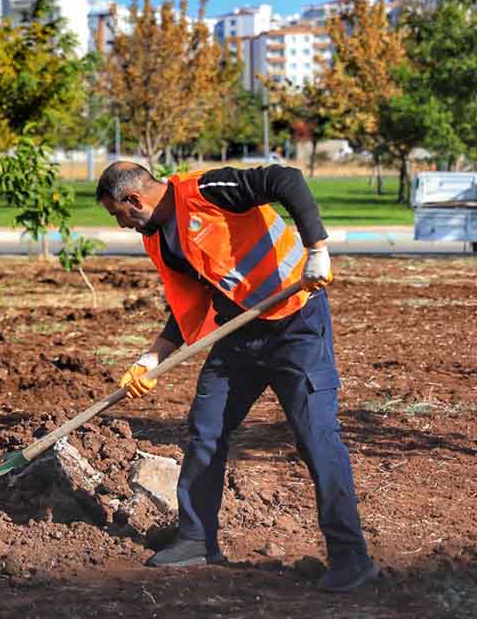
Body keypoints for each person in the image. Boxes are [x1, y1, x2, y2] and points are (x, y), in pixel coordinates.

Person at [94, 161, 375, 593]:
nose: (120, 223)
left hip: (295, 323)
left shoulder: (207, 190)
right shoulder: (159, 239)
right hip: (239, 333)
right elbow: (192, 301)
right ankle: (196, 538)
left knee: (316, 434)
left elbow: (287, 180)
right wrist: (153, 357)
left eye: (117, 213)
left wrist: (316, 248)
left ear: (134, 199)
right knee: (206, 429)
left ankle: (351, 557)